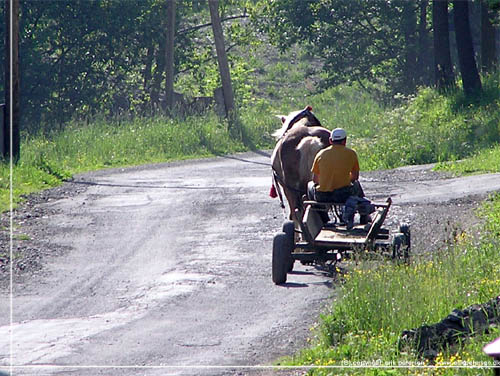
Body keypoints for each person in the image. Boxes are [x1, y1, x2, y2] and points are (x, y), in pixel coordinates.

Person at [308, 128, 373, 229]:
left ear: (330, 141)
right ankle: (364, 215)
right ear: (345, 141)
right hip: (343, 195)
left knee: (309, 185)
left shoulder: (321, 154)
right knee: (356, 184)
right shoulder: (351, 153)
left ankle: (324, 218)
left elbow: (315, 180)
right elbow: (355, 177)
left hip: (323, 196)